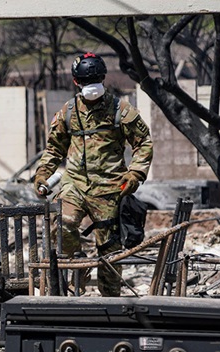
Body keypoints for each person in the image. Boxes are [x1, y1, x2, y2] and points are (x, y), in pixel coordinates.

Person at [33, 52, 153, 297]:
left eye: (95, 79)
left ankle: (111, 302)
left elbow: (144, 143)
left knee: (110, 251)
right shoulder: (68, 112)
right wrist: (43, 174)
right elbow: (55, 148)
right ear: (77, 82)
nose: (91, 86)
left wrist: (135, 174)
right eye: (86, 81)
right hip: (74, 184)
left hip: (110, 187)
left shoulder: (121, 110)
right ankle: (80, 268)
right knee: (63, 224)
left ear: (104, 78)